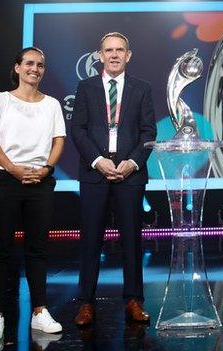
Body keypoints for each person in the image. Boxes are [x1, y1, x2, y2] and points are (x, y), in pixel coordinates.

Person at [71, 32, 156, 326]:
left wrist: (132, 163)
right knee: (90, 240)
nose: (115, 55)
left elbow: (148, 132)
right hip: (95, 174)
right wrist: (98, 161)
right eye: (109, 50)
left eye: (120, 50)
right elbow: (78, 130)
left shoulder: (142, 89)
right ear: (100, 55)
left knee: (132, 240)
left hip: (129, 175)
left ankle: (134, 299)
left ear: (128, 55)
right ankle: (85, 303)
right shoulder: (86, 87)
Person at [0, 47, 65, 341]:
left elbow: (58, 141)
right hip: (6, 179)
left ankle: (39, 312)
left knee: (38, 248)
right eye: (29, 63)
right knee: (1, 249)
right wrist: (12, 167)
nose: (35, 69)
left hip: (40, 182)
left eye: (40, 65)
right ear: (17, 67)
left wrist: (46, 169)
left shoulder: (52, 104)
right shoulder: (1, 100)